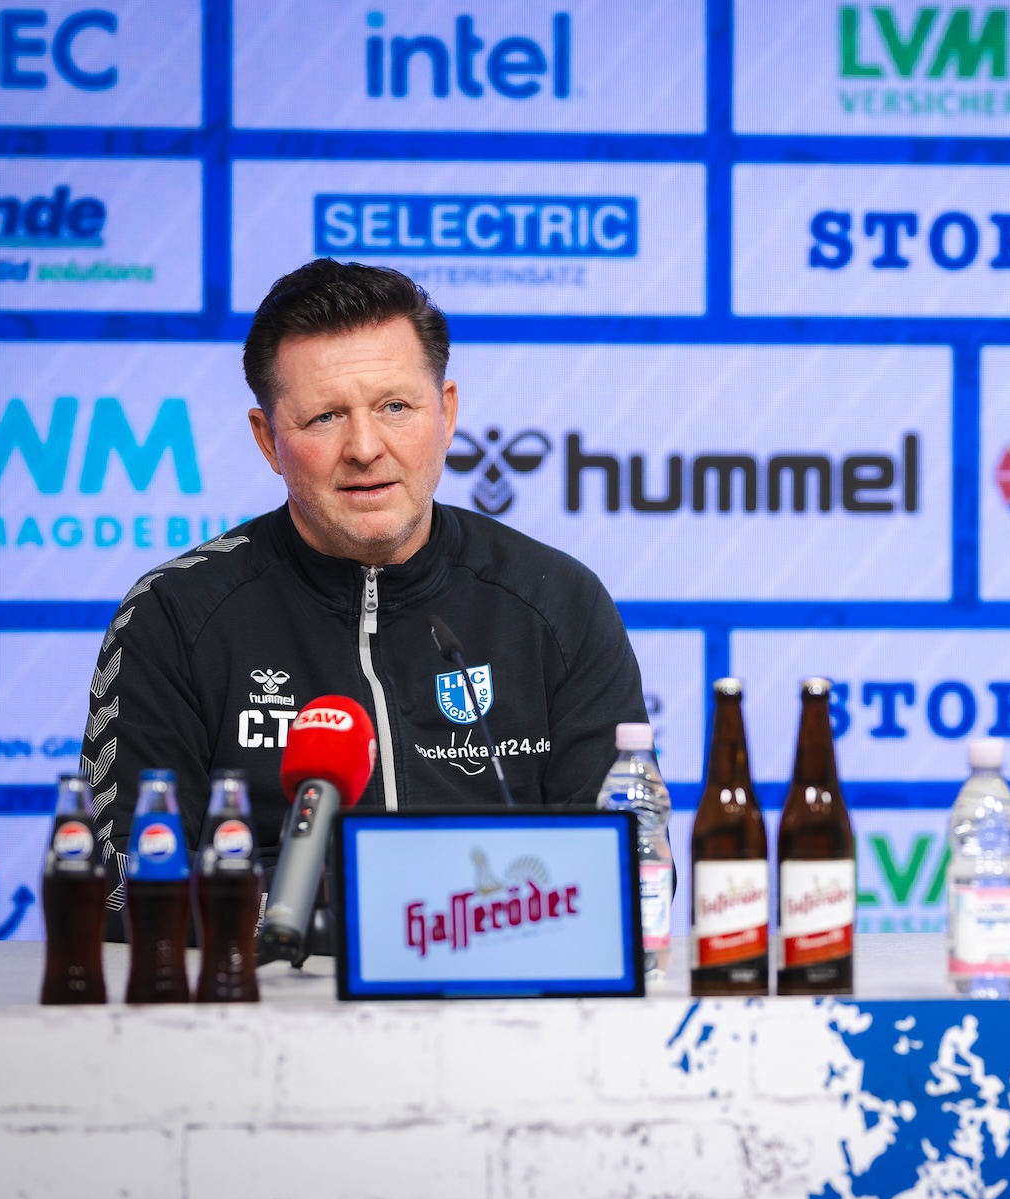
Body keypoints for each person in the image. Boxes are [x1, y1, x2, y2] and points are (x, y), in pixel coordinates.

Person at [80, 259, 646, 927]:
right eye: (324, 417)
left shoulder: (557, 602)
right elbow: (123, 889)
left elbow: (622, 876)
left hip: (499, 1003)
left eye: (395, 406)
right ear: (268, 440)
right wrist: (358, 920)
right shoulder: (174, 615)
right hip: (258, 1011)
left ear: (448, 413)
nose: (365, 447)